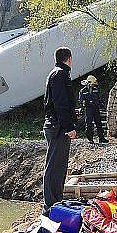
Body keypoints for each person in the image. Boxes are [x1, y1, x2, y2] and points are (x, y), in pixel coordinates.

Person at [42, 47, 78, 215]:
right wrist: (69, 127)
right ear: (69, 59)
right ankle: (50, 205)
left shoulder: (56, 73)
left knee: (59, 166)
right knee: (54, 166)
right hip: (58, 128)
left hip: (56, 126)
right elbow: (60, 103)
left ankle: (56, 201)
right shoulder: (60, 75)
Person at [78, 75, 108, 144]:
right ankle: (90, 139)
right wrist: (85, 103)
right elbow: (81, 100)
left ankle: (101, 138)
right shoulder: (83, 91)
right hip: (88, 109)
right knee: (89, 124)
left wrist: (100, 102)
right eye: (93, 84)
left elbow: (98, 98)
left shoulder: (95, 89)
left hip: (95, 108)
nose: (94, 85)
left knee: (99, 123)